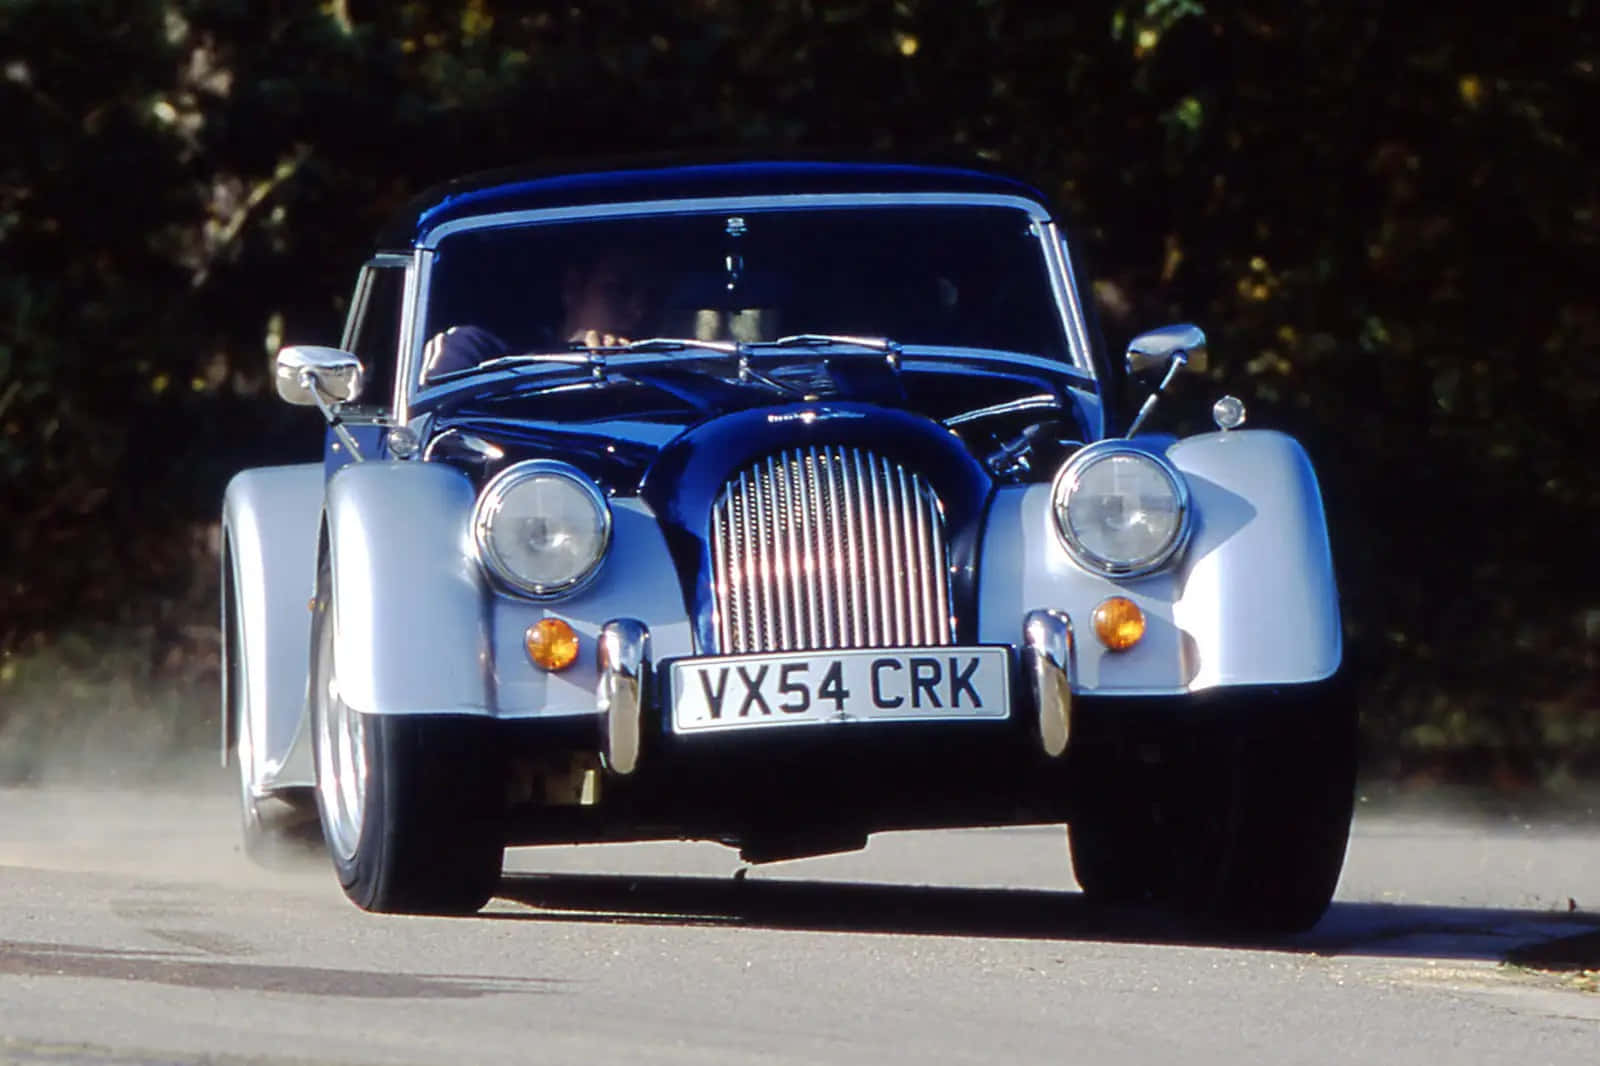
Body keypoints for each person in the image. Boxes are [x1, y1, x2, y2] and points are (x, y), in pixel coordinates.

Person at [421, 248, 659, 382]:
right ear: (574, 288)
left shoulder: (673, 371)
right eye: (619, 290)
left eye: (652, 296)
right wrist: (573, 357)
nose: (638, 310)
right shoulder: (476, 348)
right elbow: (436, 417)